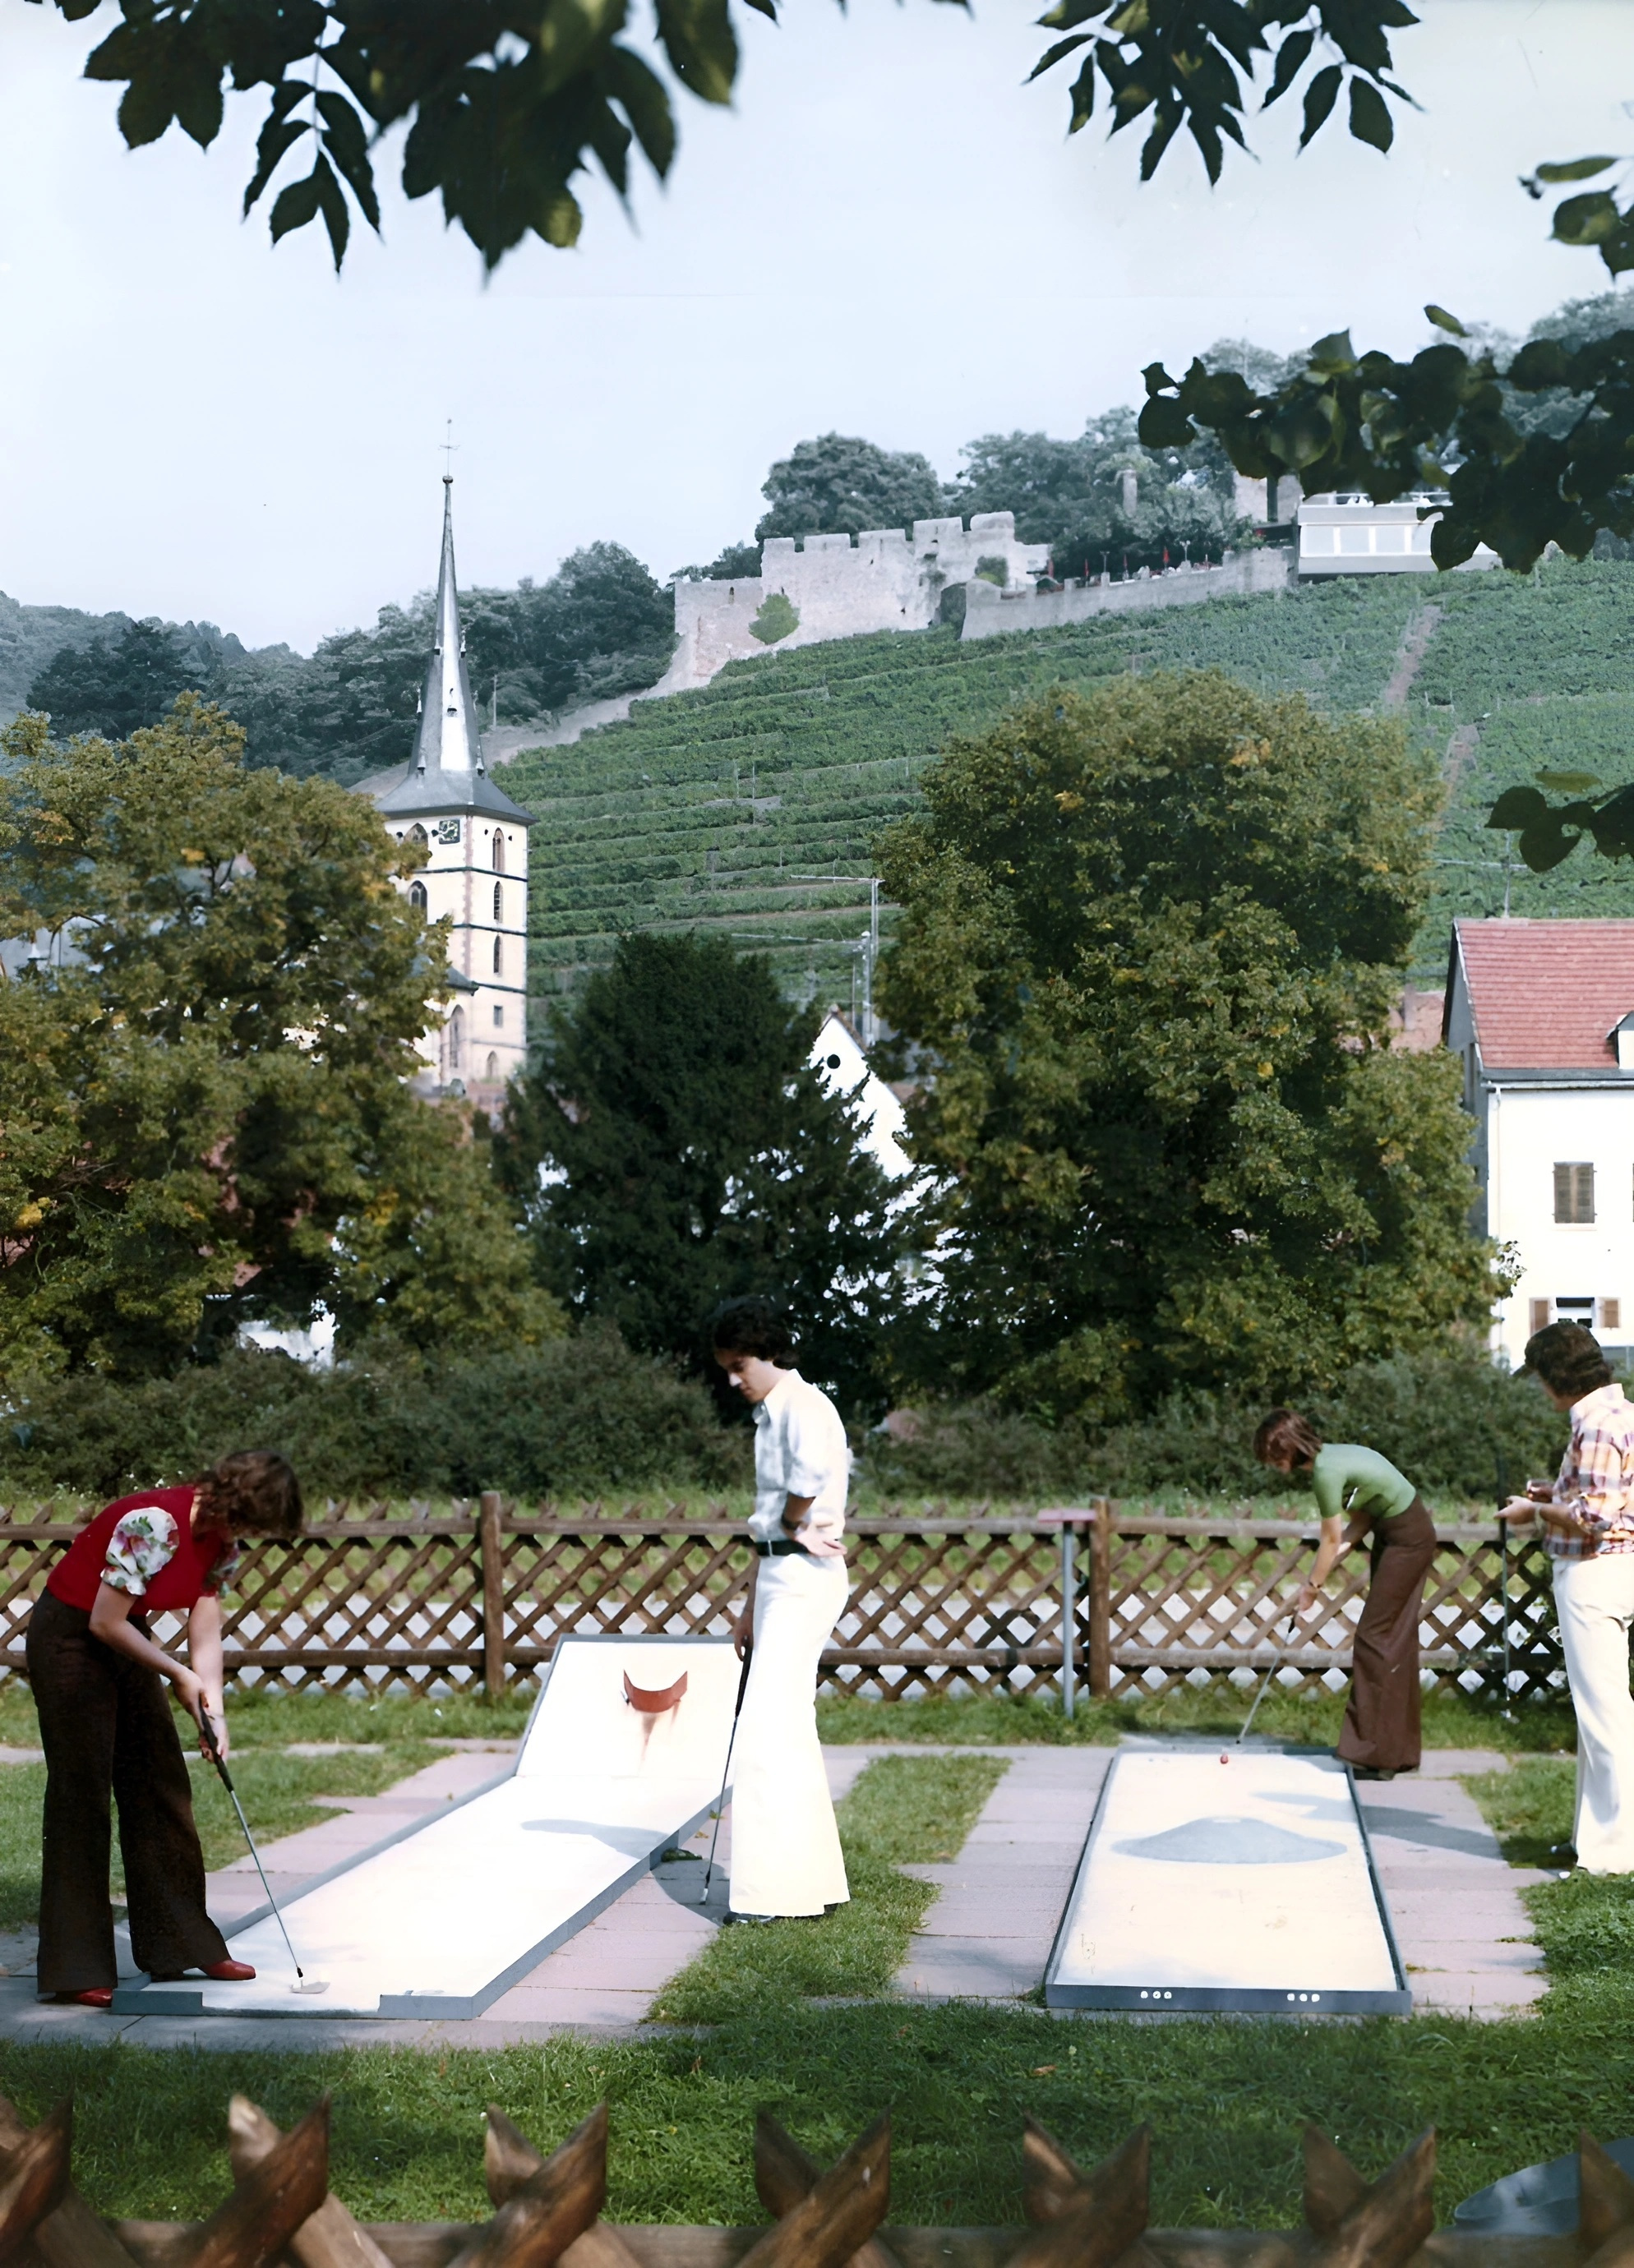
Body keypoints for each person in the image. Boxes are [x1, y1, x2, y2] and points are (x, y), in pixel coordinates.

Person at [26, 1450, 304, 2007]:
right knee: (82, 1796)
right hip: (69, 1639)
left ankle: (180, 1943)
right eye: (250, 1522)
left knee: (160, 1782)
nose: (249, 1536)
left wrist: (213, 1709)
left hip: (123, 1633)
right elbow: (101, 1620)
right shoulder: (153, 1523)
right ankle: (76, 1967)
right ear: (233, 1501)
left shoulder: (221, 1542)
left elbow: (205, 1624)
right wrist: (177, 1674)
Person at [711, 1296, 850, 1923]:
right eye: (726, 1369)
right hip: (776, 1574)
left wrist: (797, 1525)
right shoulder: (771, 1414)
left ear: (769, 1351)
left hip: (803, 1576)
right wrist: (747, 1606)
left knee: (764, 1730)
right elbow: (770, 1523)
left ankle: (771, 1897)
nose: (733, 1379)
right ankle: (810, 1886)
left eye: (740, 1365)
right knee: (787, 1728)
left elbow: (811, 1478)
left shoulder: (804, 1405)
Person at [1498, 1321, 1634, 1875]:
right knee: (1597, 1716)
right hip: (1615, 1570)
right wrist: (1548, 1492)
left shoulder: (1595, 1426)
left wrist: (1535, 1512)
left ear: (1558, 1378)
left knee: (1605, 1718)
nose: (1540, 1391)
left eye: (1540, 1380)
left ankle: (1615, 1855)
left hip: (1592, 1572)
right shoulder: (1618, 1414)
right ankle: (1592, 1839)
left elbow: (1595, 1518)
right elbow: (1605, 1495)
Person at [1253, 1410, 1436, 1780]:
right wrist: (1324, 1569)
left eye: (1273, 1457)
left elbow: (1331, 1537)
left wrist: (1312, 1589)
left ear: (1286, 1450)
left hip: (1407, 1539)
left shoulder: (1325, 1473)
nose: (1272, 1465)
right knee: (1392, 1641)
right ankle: (1393, 1755)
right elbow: (1363, 1520)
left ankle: (1374, 1754)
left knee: (1375, 1638)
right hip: (1401, 1532)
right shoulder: (1336, 1457)